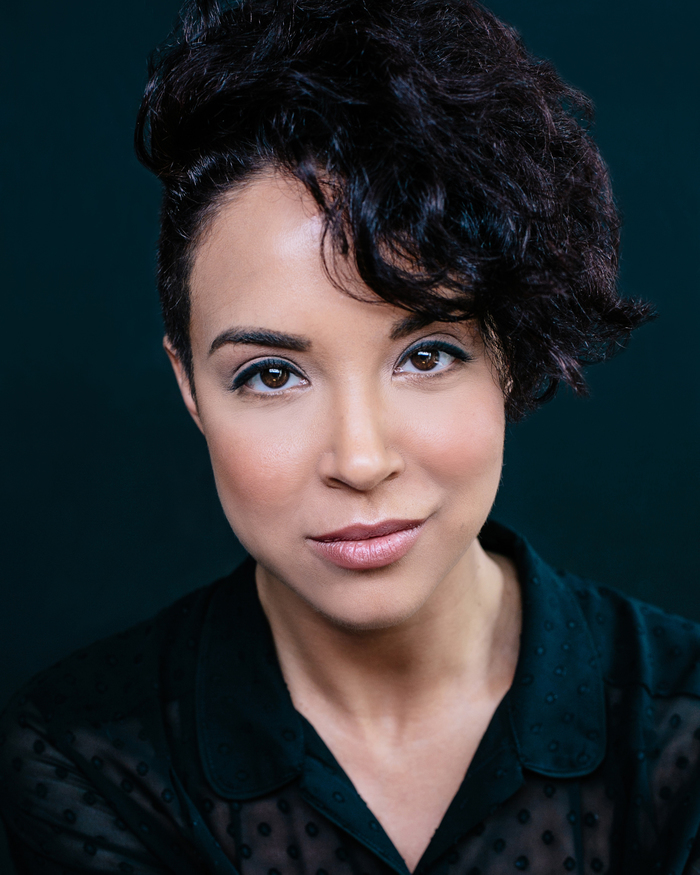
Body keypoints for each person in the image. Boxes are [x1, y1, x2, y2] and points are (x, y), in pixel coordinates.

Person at [1, 1, 698, 873]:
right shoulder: (86, 757)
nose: (361, 460)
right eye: (271, 374)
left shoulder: (682, 726)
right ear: (189, 387)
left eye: (427, 354)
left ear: (508, 356)